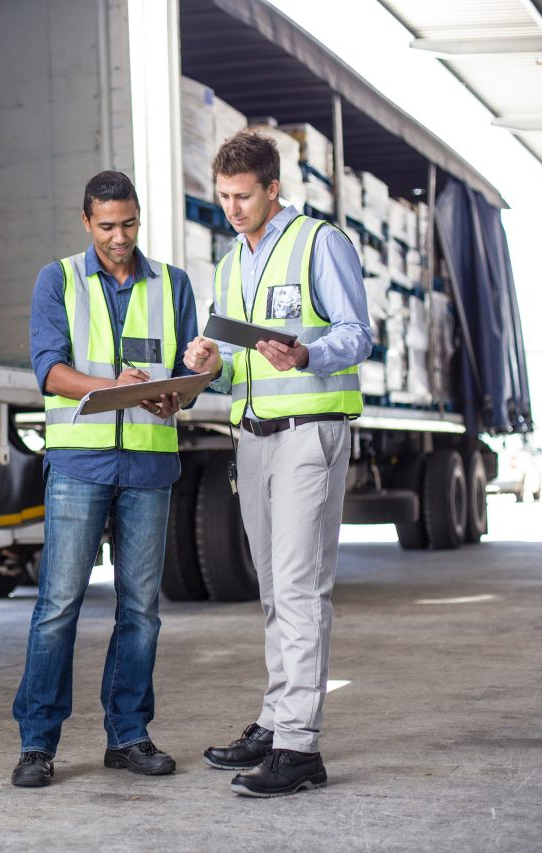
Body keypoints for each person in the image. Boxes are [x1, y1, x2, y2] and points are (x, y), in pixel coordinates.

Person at [183, 130, 371, 797]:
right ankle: (274, 717)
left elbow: (357, 332)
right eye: (224, 196)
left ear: (273, 189)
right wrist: (208, 360)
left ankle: (299, 747)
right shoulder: (232, 261)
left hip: (310, 431)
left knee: (299, 586)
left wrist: (308, 353)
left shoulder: (320, 243)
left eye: (243, 196)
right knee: (273, 588)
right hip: (254, 435)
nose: (231, 207)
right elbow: (235, 352)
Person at [11, 170, 198, 788]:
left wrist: (175, 396)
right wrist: (111, 389)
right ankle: (38, 745)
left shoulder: (173, 284)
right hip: (79, 465)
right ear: (87, 222)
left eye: (130, 224)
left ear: (140, 218)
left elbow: (183, 375)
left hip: (149, 466)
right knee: (57, 608)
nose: (121, 237)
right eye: (108, 226)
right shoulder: (58, 279)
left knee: (141, 610)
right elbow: (50, 371)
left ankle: (129, 735)